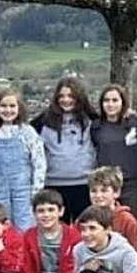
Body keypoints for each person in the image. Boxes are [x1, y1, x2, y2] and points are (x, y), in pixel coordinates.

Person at [32, 75, 97, 221]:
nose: (66, 100)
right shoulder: (42, 122)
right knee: (57, 230)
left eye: (70, 96)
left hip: (84, 184)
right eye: (61, 96)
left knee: (85, 228)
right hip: (53, 184)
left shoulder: (92, 120)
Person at [0, 88, 46, 231]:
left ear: (19, 108)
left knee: (24, 226)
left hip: (24, 190)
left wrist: (37, 190)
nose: (8, 110)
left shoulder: (27, 132)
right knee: (1, 225)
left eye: (12, 106)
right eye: (3, 106)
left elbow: (39, 162)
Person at [90, 84, 137, 227]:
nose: (110, 104)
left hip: (131, 183)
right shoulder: (96, 126)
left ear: (123, 102)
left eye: (115, 100)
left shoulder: (136, 122)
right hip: (105, 185)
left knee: (133, 223)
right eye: (106, 100)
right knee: (105, 224)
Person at [87, 166, 137, 257]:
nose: (98, 195)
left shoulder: (127, 220)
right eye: (94, 191)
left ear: (116, 192)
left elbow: (134, 253)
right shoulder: (85, 219)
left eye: (104, 191)